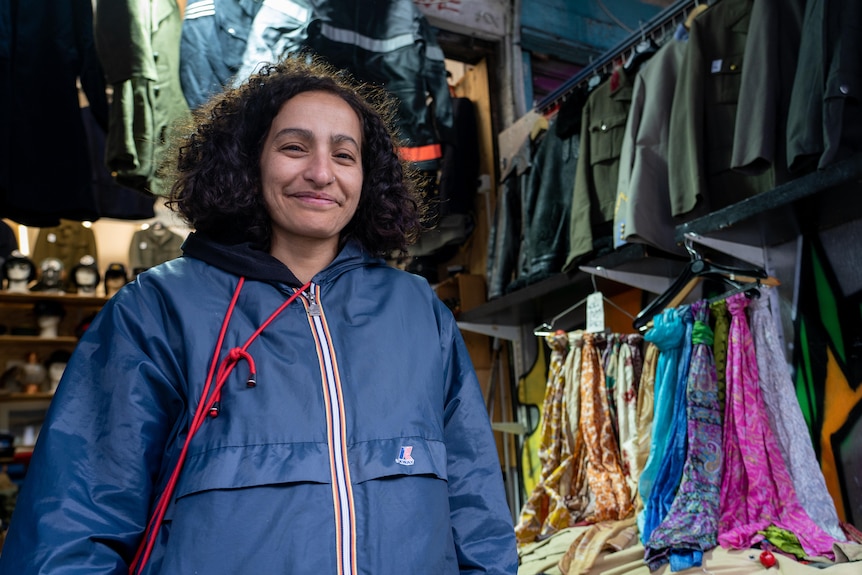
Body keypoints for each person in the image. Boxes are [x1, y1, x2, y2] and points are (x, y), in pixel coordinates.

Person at [0, 56, 518, 574]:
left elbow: (476, 510)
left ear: (367, 176)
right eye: (294, 147)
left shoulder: (417, 310)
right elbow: (72, 525)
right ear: (248, 160)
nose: (321, 172)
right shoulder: (157, 310)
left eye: (345, 154)